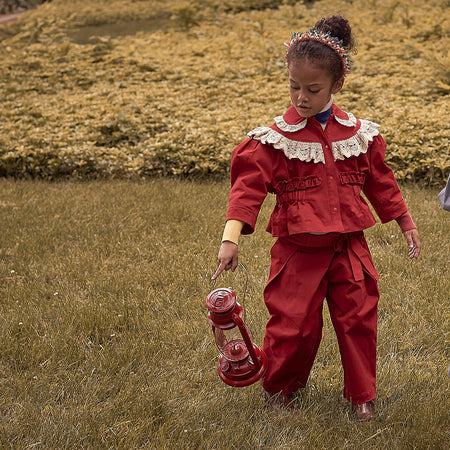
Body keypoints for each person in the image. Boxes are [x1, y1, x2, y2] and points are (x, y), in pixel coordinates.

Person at [211, 15, 421, 421]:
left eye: (312, 89)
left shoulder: (359, 135)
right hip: (297, 252)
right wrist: (230, 238)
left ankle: (362, 396)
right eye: (293, 87)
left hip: (349, 249)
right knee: (293, 325)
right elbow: (246, 190)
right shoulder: (274, 141)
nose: (300, 98)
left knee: (359, 319)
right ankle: (280, 389)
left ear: (335, 86)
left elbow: (381, 182)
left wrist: (405, 222)